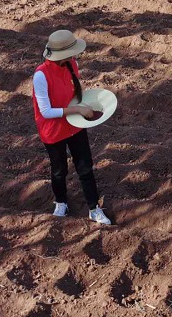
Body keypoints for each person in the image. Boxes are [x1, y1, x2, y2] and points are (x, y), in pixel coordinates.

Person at [32, 30, 112, 225]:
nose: (76, 55)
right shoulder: (41, 75)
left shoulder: (71, 65)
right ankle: (60, 203)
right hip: (53, 129)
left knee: (85, 167)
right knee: (59, 170)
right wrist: (76, 109)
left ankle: (94, 208)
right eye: (73, 51)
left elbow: (75, 92)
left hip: (75, 124)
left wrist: (86, 107)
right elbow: (46, 111)